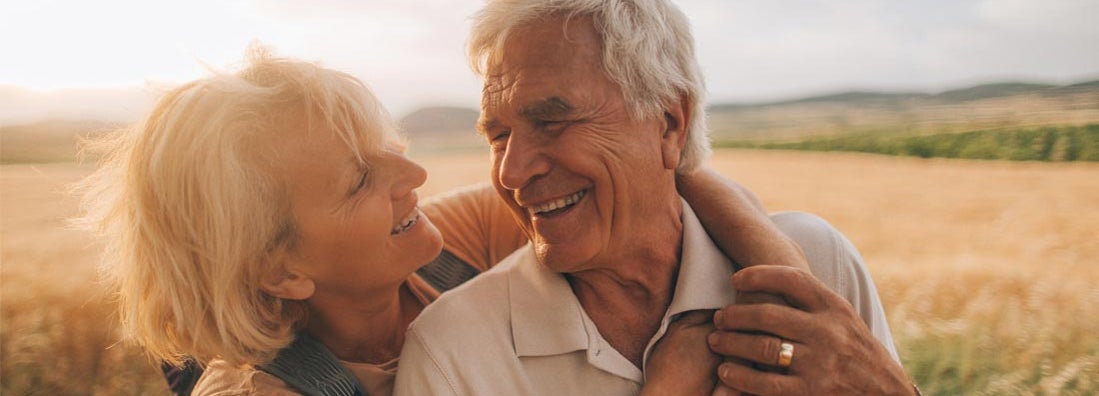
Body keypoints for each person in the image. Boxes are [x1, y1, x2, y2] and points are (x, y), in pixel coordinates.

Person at [75, 47, 810, 396]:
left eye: (390, 150)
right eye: (363, 180)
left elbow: (661, 179)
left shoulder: (439, 248)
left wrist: (798, 298)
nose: (415, 179)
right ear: (280, 269)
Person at [393, 1, 917, 395]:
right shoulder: (453, 355)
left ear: (669, 123)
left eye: (551, 122)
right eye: (498, 136)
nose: (511, 172)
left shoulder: (818, 262)